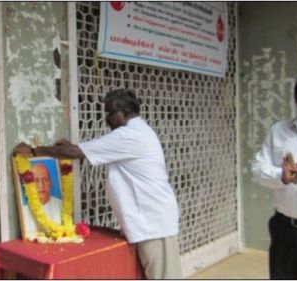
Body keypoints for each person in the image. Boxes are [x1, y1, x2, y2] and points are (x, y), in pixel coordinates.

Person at [14, 88, 182, 279]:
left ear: (123, 113)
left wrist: (34, 151)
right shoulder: (138, 131)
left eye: (110, 112)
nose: (107, 118)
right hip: (152, 221)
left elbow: (76, 153)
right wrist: (69, 148)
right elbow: (84, 151)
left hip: (155, 224)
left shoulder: (128, 135)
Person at [252, 72, 297, 279]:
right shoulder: (279, 131)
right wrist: (281, 176)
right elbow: (258, 169)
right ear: (296, 99)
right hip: (284, 230)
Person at [21, 163, 62, 235]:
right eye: (36, 181)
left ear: (50, 183)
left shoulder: (62, 206)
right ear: (30, 185)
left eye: (45, 180)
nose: (41, 185)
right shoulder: (23, 212)